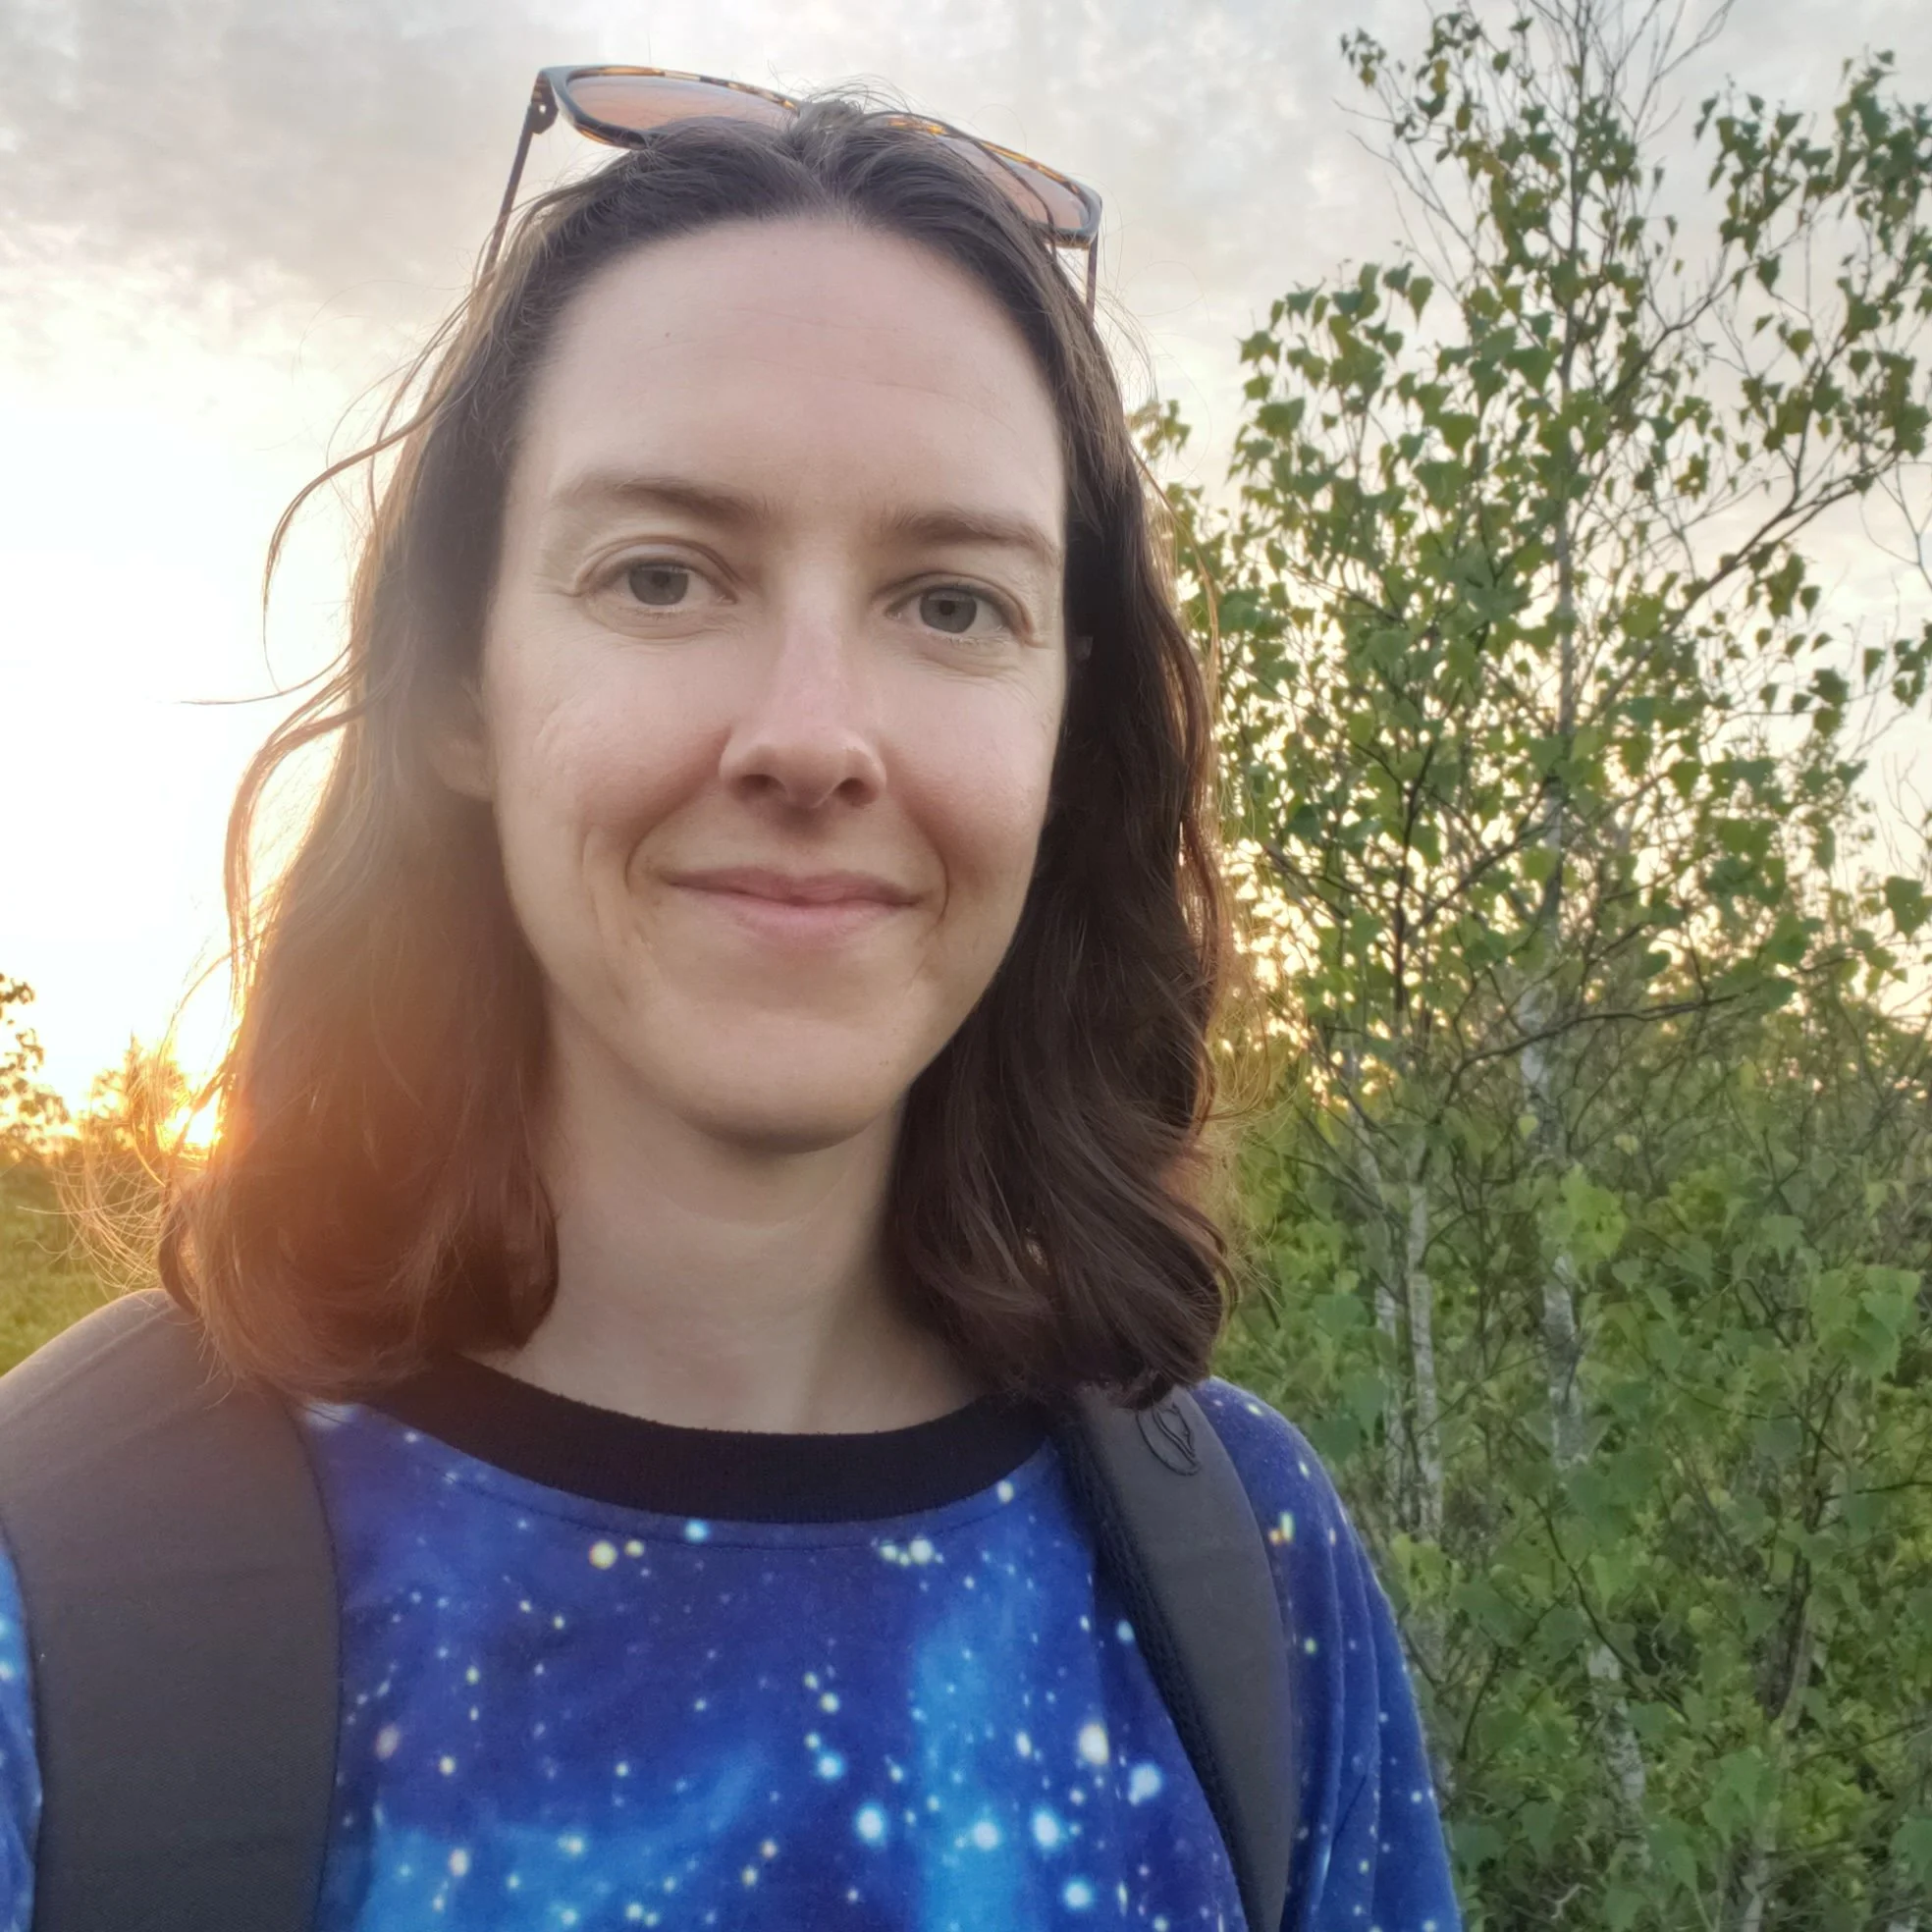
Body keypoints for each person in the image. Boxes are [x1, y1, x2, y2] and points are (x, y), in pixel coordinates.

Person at [0, 74, 1460, 1931]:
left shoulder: (1246, 1573)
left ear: (1070, 737)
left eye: (952, 603)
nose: (812, 735)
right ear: (458, 688)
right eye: (664, 575)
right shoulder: (58, 1585)